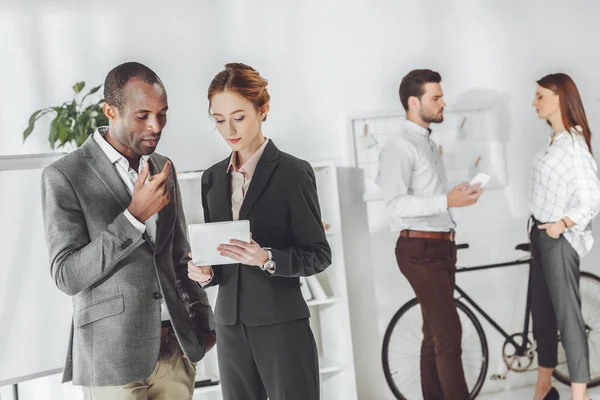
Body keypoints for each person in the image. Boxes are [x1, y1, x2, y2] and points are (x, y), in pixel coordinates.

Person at [41, 61, 215, 400]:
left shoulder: (163, 166)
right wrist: (133, 216)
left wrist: (203, 324)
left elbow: (179, 256)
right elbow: (67, 275)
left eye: (162, 114)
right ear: (110, 111)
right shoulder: (64, 175)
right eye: (142, 115)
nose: (155, 126)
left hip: (176, 350)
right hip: (112, 358)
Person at [187, 62, 331, 400]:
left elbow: (319, 255)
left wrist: (266, 258)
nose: (228, 129)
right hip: (230, 326)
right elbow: (223, 264)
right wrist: (206, 272)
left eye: (238, 117)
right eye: (219, 120)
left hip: (281, 324)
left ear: (262, 110)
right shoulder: (211, 179)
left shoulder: (293, 172)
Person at [377, 69, 484, 400]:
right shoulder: (399, 146)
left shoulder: (426, 143)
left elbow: (427, 201)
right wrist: (446, 200)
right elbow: (394, 206)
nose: (443, 103)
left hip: (440, 248)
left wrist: (452, 199)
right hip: (419, 250)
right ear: (413, 102)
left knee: (434, 335)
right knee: (449, 336)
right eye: (435, 97)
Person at [529, 73, 600, 400]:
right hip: (540, 235)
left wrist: (561, 225)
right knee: (541, 313)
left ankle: (579, 396)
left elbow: (592, 199)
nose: (534, 101)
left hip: (558, 239)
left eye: (540, 95)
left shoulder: (573, 145)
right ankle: (543, 387)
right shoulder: (554, 141)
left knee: (569, 319)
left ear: (560, 98)